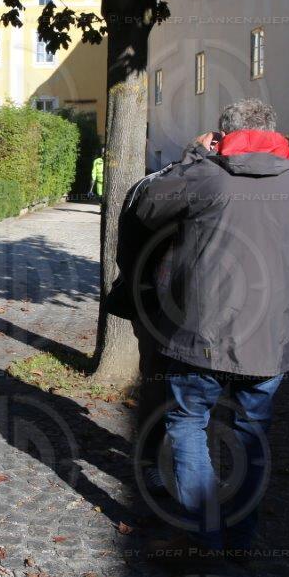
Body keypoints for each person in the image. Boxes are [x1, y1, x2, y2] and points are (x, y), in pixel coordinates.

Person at [133, 99, 289, 557]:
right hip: (271, 341)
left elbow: (146, 208)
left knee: (186, 425)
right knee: (251, 433)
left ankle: (204, 536)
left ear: (224, 135)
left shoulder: (205, 175)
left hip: (199, 336)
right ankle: (240, 539)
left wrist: (192, 157)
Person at [112, 132, 220, 496]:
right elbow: (130, 248)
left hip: (187, 307)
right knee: (160, 385)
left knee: (175, 388)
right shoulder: (159, 188)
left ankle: (179, 462)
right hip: (160, 306)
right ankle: (149, 462)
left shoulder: (208, 186)